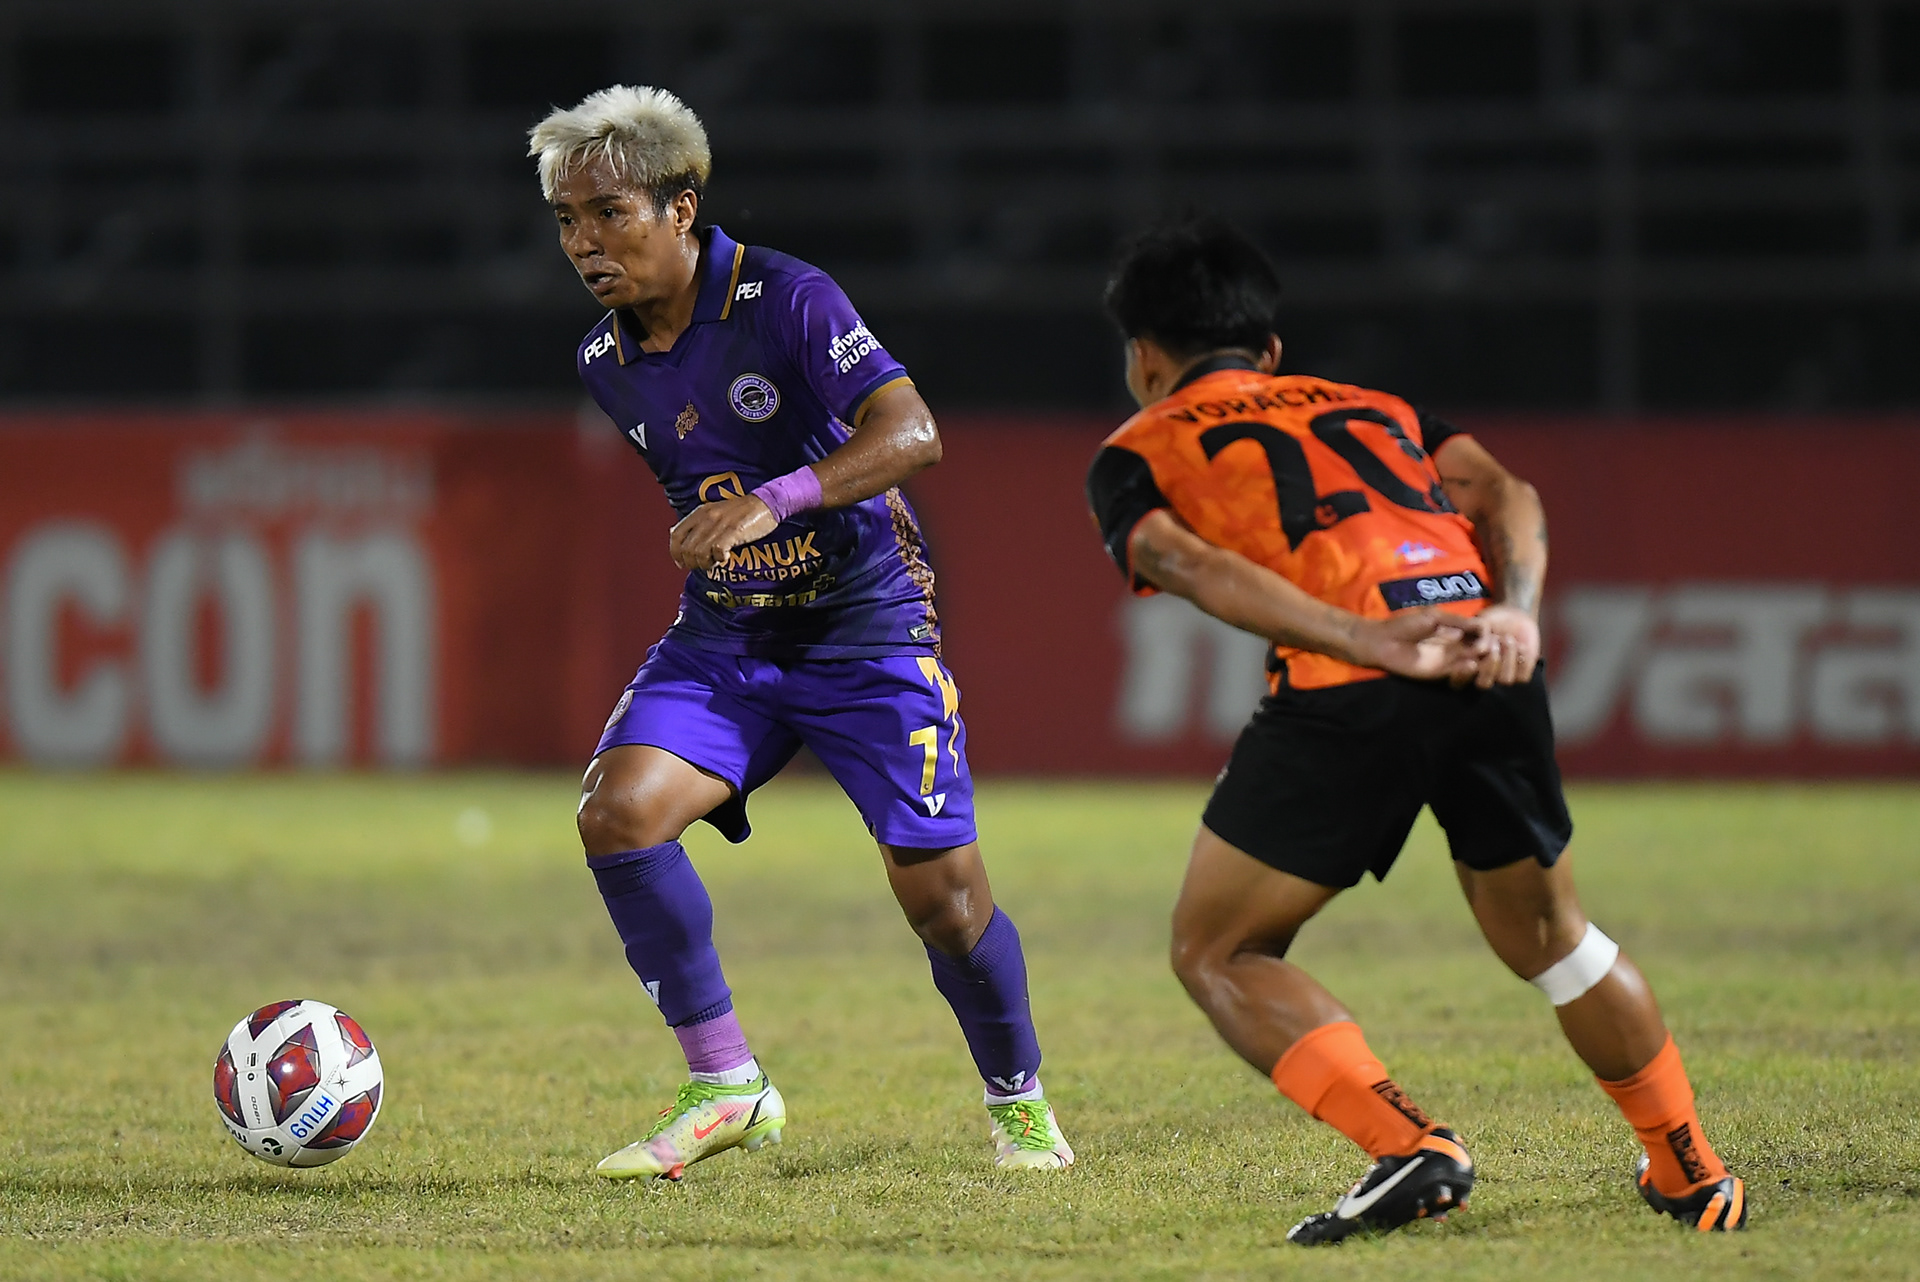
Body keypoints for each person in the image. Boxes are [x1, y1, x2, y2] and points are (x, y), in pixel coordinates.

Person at [1084, 218, 1746, 1243]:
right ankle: (1691, 1169)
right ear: (1269, 347)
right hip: (1489, 660)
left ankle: (1408, 1144)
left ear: (1143, 359)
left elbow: (1188, 563)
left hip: (1354, 683)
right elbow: (1507, 493)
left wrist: (1364, 637)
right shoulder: (1382, 409)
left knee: (1218, 949)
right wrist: (1516, 611)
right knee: (1556, 941)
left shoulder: (1138, 446)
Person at [531, 86, 1072, 1180]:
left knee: (943, 901)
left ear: (682, 208)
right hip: (730, 638)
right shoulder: (603, 360)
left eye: (609, 213)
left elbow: (912, 431)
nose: (585, 242)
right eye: (567, 220)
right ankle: (728, 1083)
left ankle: (1019, 1103)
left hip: (866, 629)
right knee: (618, 814)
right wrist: (724, 534)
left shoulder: (788, 298)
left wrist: (772, 501)